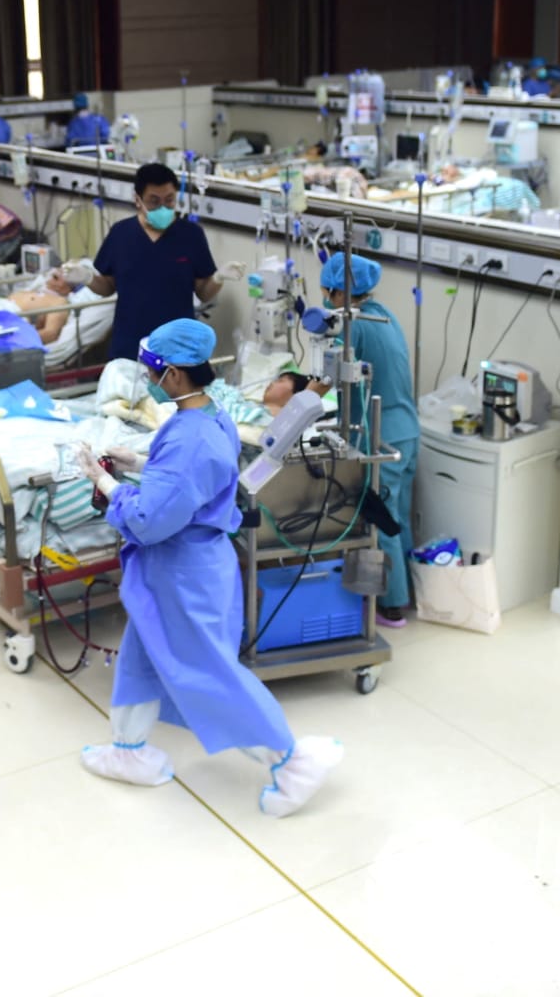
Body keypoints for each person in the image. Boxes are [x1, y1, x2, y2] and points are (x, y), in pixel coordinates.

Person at [75, 320, 341, 817]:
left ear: (174, 375)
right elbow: (183, 479)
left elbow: (151, 517)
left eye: (153, 371)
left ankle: (292, 759)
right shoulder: (203, 416)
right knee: (141, 655)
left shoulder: (194, 436)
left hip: (183, 576)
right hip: (178, 570)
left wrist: (106, 483)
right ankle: (128, 750)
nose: (148, 377)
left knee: (207, 674)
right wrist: (136, 462)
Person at [310, 254, 419, 627]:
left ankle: (392, 605)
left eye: (327, 288)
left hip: (379, 435)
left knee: (379, 519)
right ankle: (408, 589)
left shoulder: (353, 326)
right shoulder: (385, 315)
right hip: (406, 426)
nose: (324, 295)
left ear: (338, 290)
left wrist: (295, 406)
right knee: (398, 515)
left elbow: (323, 381)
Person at [54, 162, 240, 361]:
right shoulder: (121, 234)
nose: (163, 207)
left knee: (177, 391)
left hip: (177, 343)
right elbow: (108, 287)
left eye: (169, 200)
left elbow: (203, 293)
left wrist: (219, 278)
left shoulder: (191, 235)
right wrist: (87, 277)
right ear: (137, 200)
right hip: (129, 342)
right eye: (154, 201)